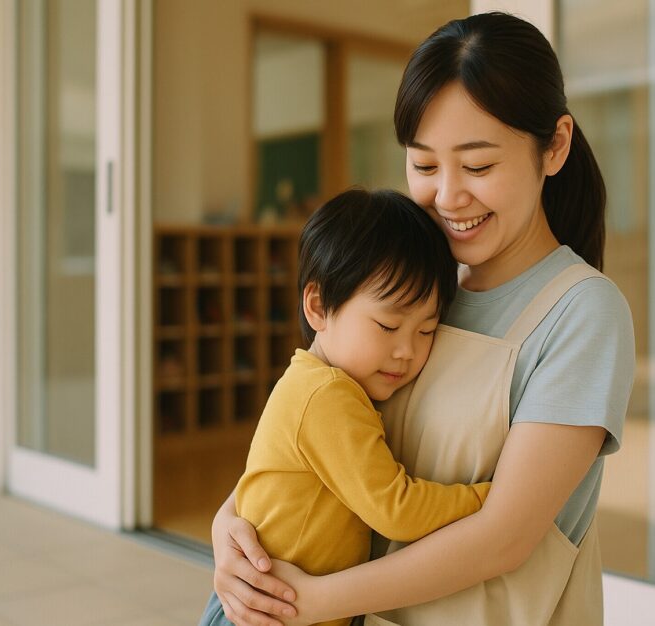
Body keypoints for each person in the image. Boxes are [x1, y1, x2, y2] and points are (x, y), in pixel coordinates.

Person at [209, 12, 635, 626]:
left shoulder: (583, 313)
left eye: (479, 166)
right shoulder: (418, 290)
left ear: (556, 146)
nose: (448, 196)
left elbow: (506, 537)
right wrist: (231, 533)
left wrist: (315, 601)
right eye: (425, 166)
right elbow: (317, 429)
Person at [199, 188, 491, 626]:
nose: (406, 351)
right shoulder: (327, 396)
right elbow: (397, 509)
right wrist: (488, 497)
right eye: (388, 325)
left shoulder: (317, 383)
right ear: (318, 307)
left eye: (427, 330)